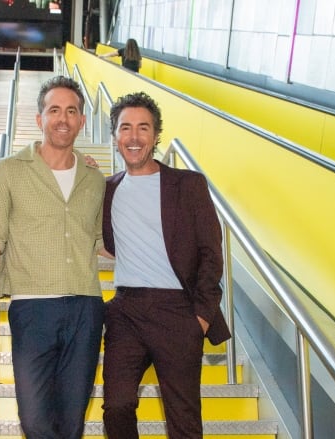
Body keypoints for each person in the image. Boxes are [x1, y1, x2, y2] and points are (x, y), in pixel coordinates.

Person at [0, 75, 105, 438]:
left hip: (86, 309)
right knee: (36, 422)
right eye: (54, 110)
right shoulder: (9, 171)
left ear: (82, 121)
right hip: (33, 308)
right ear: (38, 119)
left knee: (72, 423)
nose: (63, 118)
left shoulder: (94, 177)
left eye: (72, 111)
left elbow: (103, 240)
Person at [100, 91, 231, 438]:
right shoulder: (108, 189)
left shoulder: (188, 185)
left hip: (178, 312)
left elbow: (211, 253)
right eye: (125, 128)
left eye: (143, 128)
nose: (134, 137)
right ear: (114, 136)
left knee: (183, 419)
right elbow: (109, 243)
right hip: (125, 310)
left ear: (156, 135)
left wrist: (200, 318)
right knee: (116, 405)